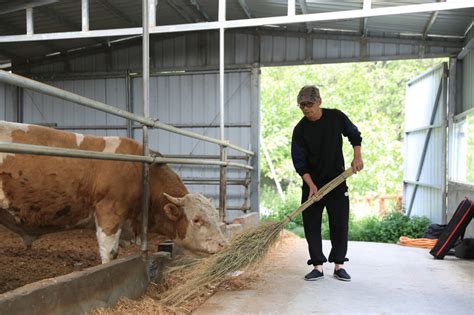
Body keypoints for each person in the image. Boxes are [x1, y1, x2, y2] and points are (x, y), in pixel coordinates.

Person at [291, 85, 363, 282]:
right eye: (302, 105)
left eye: (309, 104)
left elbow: (354, 134)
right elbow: (299, 161)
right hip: (312, 184)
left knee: (339, 223)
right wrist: (311, 184)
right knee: (311, 224)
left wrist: (357, 156)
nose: (306, 109)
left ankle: (339, 265)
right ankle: (317, 266)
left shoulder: (336, 117)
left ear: (319, 101)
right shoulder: (300, 130)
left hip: (337, 182)